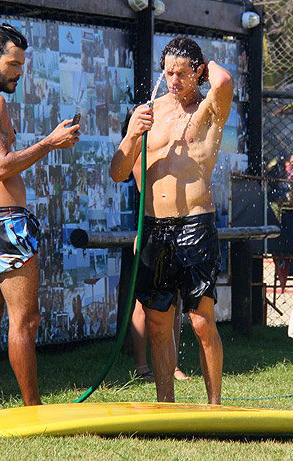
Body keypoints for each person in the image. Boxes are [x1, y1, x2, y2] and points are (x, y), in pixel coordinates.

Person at [0, 23, 80, 415]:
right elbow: (2, 166)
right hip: (4, 223)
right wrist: (49, 143)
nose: (20, 72)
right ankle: (32, 409)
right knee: (26, 319)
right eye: (13, 63)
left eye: (22, 63)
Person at [110, 37, 234, 404]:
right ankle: (166, 402)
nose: (173, 80)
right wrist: (133, 132)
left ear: (198, 72)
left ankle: (214, 405)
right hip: (154, 227)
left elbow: (223, 81)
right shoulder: (147, 112)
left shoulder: (210, 109)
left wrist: (203, 63)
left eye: (181, 73)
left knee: (200, 320)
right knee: (157, 320)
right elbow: (118, 173)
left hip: (196, 223)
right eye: (167, 73)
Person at [119, 107, 190, 383]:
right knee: (143, 303)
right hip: (149, 229)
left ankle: (170, 364)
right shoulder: (138, 151)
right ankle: (141, 365)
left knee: (174, 300)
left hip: (176, 229)